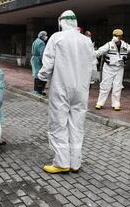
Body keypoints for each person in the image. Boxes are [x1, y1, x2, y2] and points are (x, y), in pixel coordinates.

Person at [38, 10, 93, 174]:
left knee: (58, 124)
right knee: (77, 126)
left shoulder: (56, 38)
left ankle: (61, 162)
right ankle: (75, 163)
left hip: (61, 87)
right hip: (81, 90)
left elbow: (47, 65)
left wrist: (41, 77)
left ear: (62, 21)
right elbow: (92, 65)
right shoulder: (87, 41)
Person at [94, 28, 130, 111]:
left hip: (119, 68)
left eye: (119, 36)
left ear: (121, 36)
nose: (117, 37)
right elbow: (99, 52)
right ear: (113, 36)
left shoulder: (125, 45)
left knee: (117, 86)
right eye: (115, 35)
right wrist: (90, 54)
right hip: (109, 68)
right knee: (105, 85)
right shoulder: (108, 45)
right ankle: (100, 103)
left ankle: (116, 104)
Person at [30, 31, 48, 95]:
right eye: (45, 35)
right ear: (42, 36)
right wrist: (44, 62)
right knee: (40, 74)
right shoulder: (41, 43)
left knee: (36, 74)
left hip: (34, 59)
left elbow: (32, 51)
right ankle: (39, 90)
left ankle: (35, 90)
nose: (46, 37)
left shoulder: (35, 41)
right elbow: (42, 53)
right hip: (38, 60)